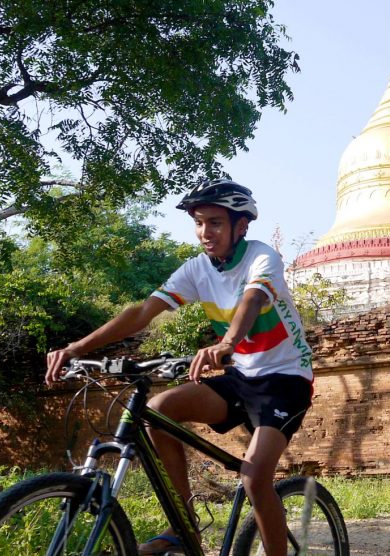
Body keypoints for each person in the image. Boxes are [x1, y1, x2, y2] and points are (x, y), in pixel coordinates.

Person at [46, 180, 313, 556]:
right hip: (241, 378)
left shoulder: (261, 257)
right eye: (200, 223)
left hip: (285, 380)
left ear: (241, 226)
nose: (206, 233)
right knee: (160, 411)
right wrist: (77, 347)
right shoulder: (196, 270)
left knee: (254, 478)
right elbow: (141, 312)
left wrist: (226, 343)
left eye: (216, 223)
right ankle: (183, 528)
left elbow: (252, 300)